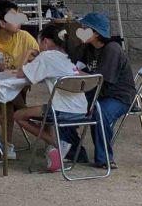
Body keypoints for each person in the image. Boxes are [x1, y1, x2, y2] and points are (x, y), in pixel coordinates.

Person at [12, 25, 88, 172]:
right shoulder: (67, 57)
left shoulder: (46, 56)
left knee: (18, 115)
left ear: (45, 42)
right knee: (45, 111)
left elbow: (20, 73)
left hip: (62, 110)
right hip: (81, 110)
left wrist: (28, 53)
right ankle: (54, 150)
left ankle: (57, 144)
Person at [75, 12, 136, 169]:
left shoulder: (112, 49)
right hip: (94, 93)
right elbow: (74, 64)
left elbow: (101, 80)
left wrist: (78, 74)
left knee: (99, 112)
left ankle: (104, 159)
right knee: (64, 109)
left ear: (96, 33)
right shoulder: (86, 48)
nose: (80, 31)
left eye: (85, 28)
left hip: (118, 96)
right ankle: (75, 152)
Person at [0, 0, 38, 160]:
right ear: (2, 23)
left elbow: (38, 58)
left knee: (8, 99)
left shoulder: (24, 36)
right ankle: (41, 128)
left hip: (19, 85)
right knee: (9, 100)